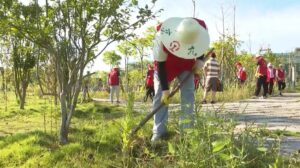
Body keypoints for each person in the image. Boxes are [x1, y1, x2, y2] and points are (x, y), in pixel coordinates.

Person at [151, 17, 210, 141]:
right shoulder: (160, 37)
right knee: (159, 96)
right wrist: (165, 90)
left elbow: (201, 45)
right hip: (166, 65)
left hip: (186, 64)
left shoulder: (199, 27)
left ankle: (186, 130)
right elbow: (161, 65)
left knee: (188, 94)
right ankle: (159, 131)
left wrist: (199, 59)